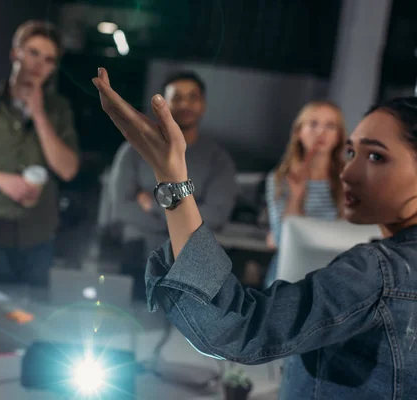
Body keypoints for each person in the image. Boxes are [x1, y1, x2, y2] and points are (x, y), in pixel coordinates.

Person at [93, 67, 417, 398]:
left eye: (376, 156)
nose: (349, 172)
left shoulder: (380, 273)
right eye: (351, 153)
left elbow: (236, 328)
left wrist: (171, 178)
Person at [0, 20, 79, 286]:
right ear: (15, 53)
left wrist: (39, 113)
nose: (38, 65)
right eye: (33, 53)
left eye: (48, 59)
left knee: (33, 318)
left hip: (40, 231)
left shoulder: (59, 110)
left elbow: (67, 170)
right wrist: (3, 181)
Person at [109, 71, 237, 298]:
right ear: (163, 103)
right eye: (177, 97)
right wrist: (184, 216)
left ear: (203, 105)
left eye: (192, 97)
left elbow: (216, 215)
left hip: (190, 261)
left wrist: (155, 208)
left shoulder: (219, 159)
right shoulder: (134, 149)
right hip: (137, 257)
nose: (185, 104)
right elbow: (121, 207)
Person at [263, 101, 346, 287]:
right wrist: (295, 196)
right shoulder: (280, 179)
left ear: (339, 136)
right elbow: (279, 240)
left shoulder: (350, 180)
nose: (321, 132)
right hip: (288, 276)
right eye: (313, 124)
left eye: (330, 126)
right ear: (299, 132)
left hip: (334, 277)